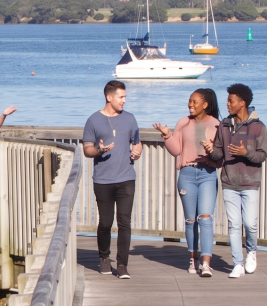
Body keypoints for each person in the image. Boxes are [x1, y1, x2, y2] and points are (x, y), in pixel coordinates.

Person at [154, 88, 222, 278]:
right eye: (189, 101)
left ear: (205, 104)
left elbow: (219, 154)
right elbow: (176, 151)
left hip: (208, 173)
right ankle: (193, 259)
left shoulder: (216, 124)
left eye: (194, 101)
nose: (190, 104)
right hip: (187, 174)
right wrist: (167, 135)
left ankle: (206, 263)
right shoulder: (183, 123)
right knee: (191, 220)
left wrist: (211, 150)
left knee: (205, 218)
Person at [82, 80, 142, 278]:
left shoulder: (130, 119)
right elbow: (87, 149)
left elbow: (137, 142)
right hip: (103, 180)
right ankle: (104, 258)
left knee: (124, 222)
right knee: (105, 223)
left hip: (126, 178)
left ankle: (123, 264)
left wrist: (137, 151)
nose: (124, 101)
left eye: (125, 97)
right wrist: (99, 150)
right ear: (109, 97)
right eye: (121, 97)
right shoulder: (93, 120)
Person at [208, 84, 267, 278]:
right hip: (228, 182)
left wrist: (245, 152)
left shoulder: (258, 126)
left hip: (250, 183)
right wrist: (210, 149)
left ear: (242, 103)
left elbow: (262, 156)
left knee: (250, 223)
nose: (227, 104)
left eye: (230, 101)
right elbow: (219, 152)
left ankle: (251, 251)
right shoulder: (224, 125)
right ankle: (237, 264)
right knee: (234, 224)